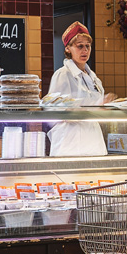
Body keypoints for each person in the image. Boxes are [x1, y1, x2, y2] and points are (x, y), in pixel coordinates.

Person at [47, 22, 113, 157]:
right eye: (80, 46)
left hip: (94, 142)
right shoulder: (63, 74)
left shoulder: (94, 78)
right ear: (68, 49)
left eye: (88, 46)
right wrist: (95, 106)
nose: (85, 50)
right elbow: (55, 110)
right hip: (70, 144)